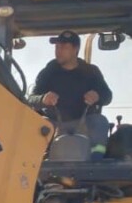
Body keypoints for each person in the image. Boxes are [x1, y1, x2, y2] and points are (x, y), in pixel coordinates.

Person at [29, 30, 112, 160]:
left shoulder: (91, 72)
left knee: (100, 122)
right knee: (36, 124)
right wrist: (43, 99)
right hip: (54, 123)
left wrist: (97, 96)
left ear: (75, 49)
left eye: (64, 47)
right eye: (57, 47)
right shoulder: (49, 71)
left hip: (83, 123)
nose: (58, 50)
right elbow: (30, 99)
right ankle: (34, 163)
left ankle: (96, 161)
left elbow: (107, 96)